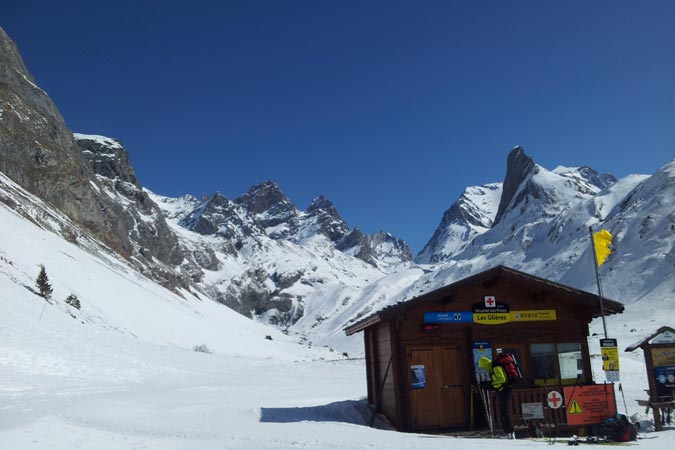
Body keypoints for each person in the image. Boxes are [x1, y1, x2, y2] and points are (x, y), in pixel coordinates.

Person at [479, 355, 515, 439]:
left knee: (505, 411)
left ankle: (509, 432)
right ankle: (508, 432)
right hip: (503, 389)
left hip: (505, 390)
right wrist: (490, 384)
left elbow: (501, 379)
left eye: (483, 366)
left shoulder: (494, 367)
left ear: (485, 364)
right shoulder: (493, 367)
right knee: (504, 411)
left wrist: (489, 385)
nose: (483, 368)